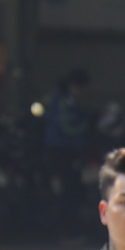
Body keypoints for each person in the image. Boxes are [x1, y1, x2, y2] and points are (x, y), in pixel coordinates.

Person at [42, 69, 94, 236]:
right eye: (81, 88)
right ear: (73, 86)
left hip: (65, 149)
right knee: (67, 190)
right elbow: (68, 127)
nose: (83, 93)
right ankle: (64, 231)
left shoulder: (67, 100)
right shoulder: (64, 101)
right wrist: (88, 125)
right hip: (62, 151)